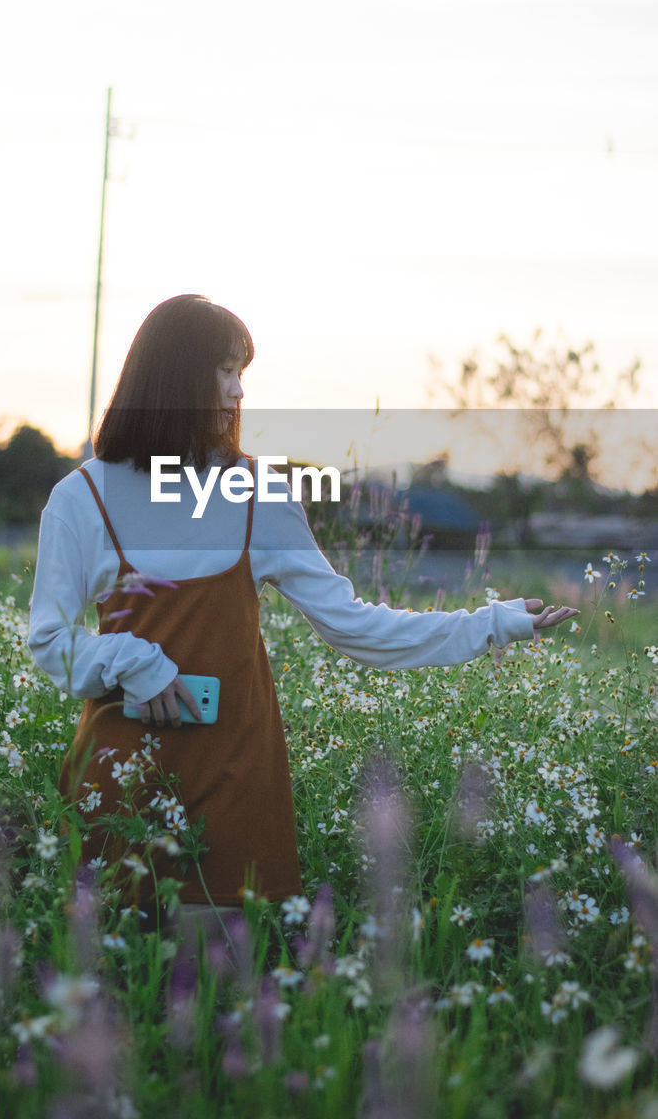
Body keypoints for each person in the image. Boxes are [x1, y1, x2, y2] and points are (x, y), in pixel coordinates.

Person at [29, 294, 577, 923]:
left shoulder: (258, 493)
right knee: (111, 1000)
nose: (239, 392)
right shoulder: (80, 496)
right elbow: (50, 644)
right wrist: (133, 659)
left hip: (232, 776)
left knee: (220, 994)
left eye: (243, 374)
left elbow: (355, 626)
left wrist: (492, 624)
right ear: (176, 375)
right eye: (226, 371)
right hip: (118, 777)